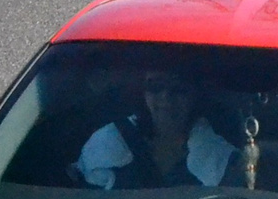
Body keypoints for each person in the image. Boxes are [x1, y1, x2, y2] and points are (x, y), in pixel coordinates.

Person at [71, 71, 240, 190]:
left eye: (179, 88)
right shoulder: (106, 143)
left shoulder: (222, 157)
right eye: (156, 86)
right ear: (141, 92)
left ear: (195, 95)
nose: (166, 97)